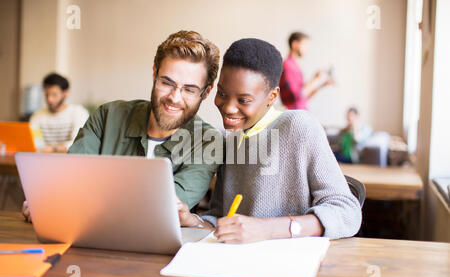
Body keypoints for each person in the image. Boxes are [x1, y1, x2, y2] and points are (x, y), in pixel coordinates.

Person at [22, 30, 222, 223]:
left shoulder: (207, 141)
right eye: (167, 82)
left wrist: (68, 201)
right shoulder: (108, 116)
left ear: (205, 92)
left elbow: (162, 210)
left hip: (158, 253)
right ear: (154, 73)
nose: (174, 98)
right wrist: (49, 201)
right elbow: (71, 181)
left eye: (189, 89)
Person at [178, 38, 362, 242]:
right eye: (222, 93)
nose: (228, 107)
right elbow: (223, 217)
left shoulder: (299, 126)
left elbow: (348, 212)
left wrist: (267, 229)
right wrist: (193, 221)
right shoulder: (230, 139)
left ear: (272, 96)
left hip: (291, 265)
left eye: (243, 100)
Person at [29, 73, 89, 153]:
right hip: (43, 160)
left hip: (71, 161)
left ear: (65, 93)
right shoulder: (37, 116)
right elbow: (34, 142)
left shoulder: (78, 113)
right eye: (47, 94)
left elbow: (78, 143)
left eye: (54, 94)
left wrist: (53, 149)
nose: (49, 99)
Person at [279, 32, 334, 110]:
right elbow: (297, 96)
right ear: (294, 44)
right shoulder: (287, 65)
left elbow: (304, 97)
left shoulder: (296, 67)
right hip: (294, 115)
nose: (307, 49)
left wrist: (322, 85)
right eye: (305, 45)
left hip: (301, 112)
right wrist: (315, 78)